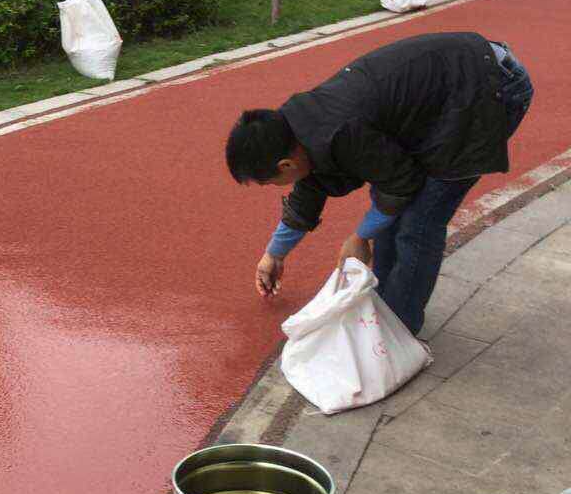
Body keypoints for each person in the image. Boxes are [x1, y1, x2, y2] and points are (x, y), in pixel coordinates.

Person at [225, 31, 534, 335]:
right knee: (391, 214)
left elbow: (400, 183)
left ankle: (396, 333)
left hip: (489, 87)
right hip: (454, 84)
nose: (281, 186)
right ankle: (386, 311)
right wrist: (274, 254)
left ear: (286, 165)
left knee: (419, 222)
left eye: (274, 182)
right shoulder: (297, 128)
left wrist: (359, 237)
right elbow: (311, 187)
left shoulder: (341, 132)